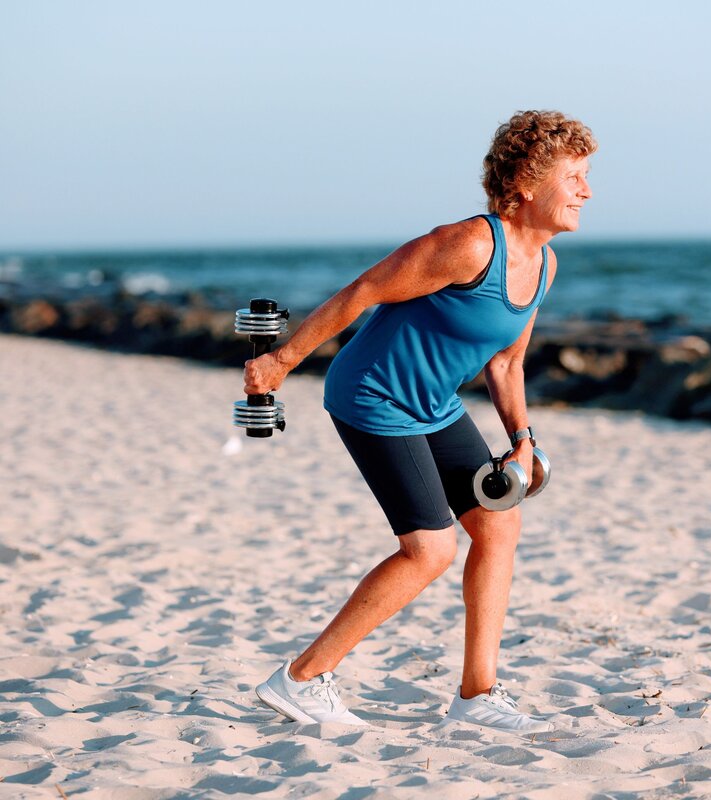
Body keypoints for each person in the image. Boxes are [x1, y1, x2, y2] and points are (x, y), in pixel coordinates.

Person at [247, 110, 596, 733]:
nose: (586, 191)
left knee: (497, 525)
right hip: (374, 396)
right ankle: (301, 679)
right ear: (525, 182)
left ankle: (477, 696)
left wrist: (522, 440)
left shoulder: (542, 265)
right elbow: (365, 290)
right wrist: (281, 359)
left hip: (434, 403)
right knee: (429, 550)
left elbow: (508, 361)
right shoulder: (468, 244)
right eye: (573, 176)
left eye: (587, 176)